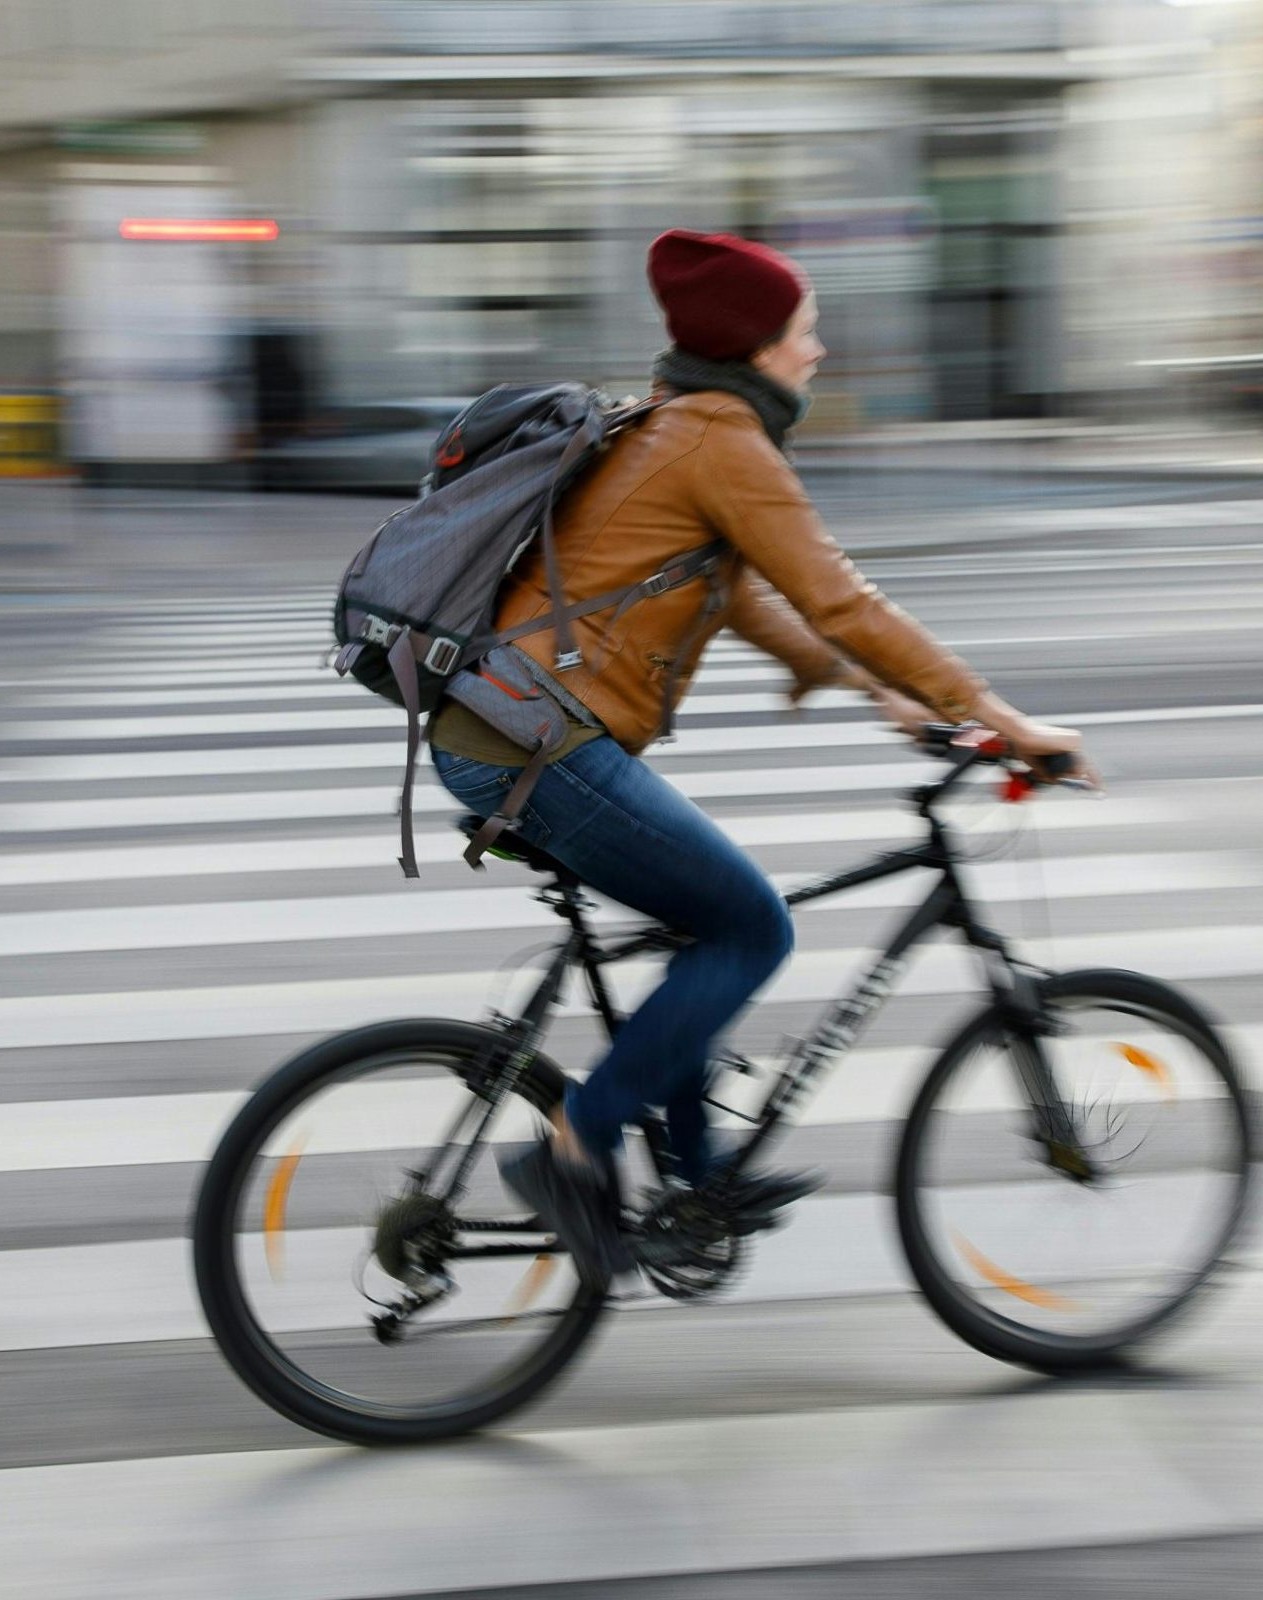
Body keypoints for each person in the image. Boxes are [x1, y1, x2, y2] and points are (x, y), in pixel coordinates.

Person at [428, 228, 1092, 1281]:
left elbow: (727, 584)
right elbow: (839, 596)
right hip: (535, 743)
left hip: (512, 728)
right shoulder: (719, 438)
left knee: (704, 925)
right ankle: (571, 1149)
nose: (816, 349)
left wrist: (854, 683)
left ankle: (695, 1182)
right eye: (803, 330)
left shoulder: (674, 422)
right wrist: (1000, 719)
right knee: (749, 925)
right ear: (753, 345)